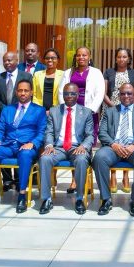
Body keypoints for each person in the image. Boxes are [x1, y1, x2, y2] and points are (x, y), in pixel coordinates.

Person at [0, 80, 47, 214]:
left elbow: (42, 132)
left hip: (27, 146)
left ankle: (22, 195)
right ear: (16, 92)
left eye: (26, 90)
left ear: (31, 92)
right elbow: (0, 129)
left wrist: (33, 143)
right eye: (20, 90)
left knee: (25, 155)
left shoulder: (39, 110)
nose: (23, 93)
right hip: (8, 145)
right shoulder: (8, 109)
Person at [94, 83, 134, 217]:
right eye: (123, 93)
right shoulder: (110, 112)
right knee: (99, 157)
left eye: (129, 93)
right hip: (114, 148)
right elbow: (102, 132)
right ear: (119, 95)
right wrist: (113, 144)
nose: (126, 96)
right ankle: (106, 199)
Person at [38, 83, 94, 215]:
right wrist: (49, 145)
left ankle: (79, 199)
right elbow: (49, 132)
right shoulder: (54, 111)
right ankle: (46, 199)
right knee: (44, 159)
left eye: (72, 93)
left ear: (78, 95)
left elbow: (90, 135)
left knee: (81, 160)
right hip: (58, 147)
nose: (69, 96)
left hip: (77, 147)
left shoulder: (86, 112)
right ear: (62, 95)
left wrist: (83, 146)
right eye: (66, 93)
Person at [58, 46, 105, 192]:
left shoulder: (96, 72)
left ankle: (87, 181)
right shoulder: (68, 72)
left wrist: (89, 111)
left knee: (86, 146)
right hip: (70, 113)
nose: (81, 57)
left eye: (84, 55)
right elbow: (61, 92)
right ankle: (74, 180)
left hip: (89, 114)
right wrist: (66, 108)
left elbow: (100, 93)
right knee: (72, 143)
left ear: (89, 57)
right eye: (78, 55)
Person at [0, 51, 32, 190]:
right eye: (5, 60)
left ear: (17, 61)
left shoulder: (26, 76)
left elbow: (29, 95)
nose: (7, 63)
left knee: (19, 146)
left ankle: (19, 179)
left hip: (22, 118)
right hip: (3, 117)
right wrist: (7, 110)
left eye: (10, 60)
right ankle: (7, 179)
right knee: (4, 144)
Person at [103, 47, 134, 193]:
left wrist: (128, 105)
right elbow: (104, 93)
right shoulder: (108, 72)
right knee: (114, 139)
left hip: (129, 109)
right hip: (111, 109)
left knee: (126, 138)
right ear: (115, 58)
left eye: (124, 57)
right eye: (119, 56)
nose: (121, 59)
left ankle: (126, 177)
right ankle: (113, 176)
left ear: (129, 59)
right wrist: (114, 108)